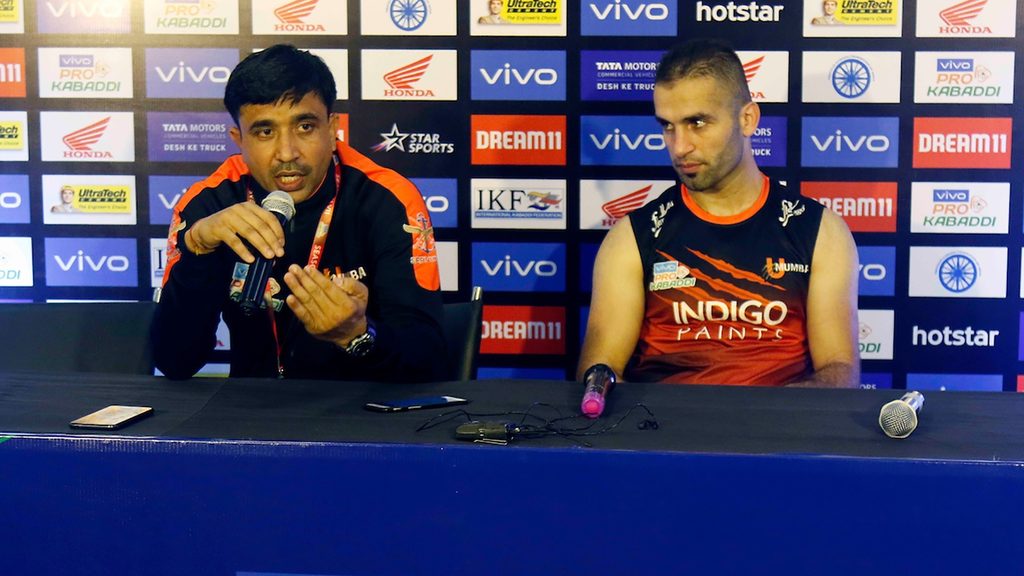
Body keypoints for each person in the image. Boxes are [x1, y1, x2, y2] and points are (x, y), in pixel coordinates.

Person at [152, 45, 445, 382]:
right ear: (239, 140)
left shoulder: (387, 199)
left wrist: (356, 335)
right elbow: (174, 361)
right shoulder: (208, 206)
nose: (287, 153)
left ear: (332, 129)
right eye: (264, 132)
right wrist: (197, 251)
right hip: (252, 418)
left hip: (361, 413)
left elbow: (430, 360)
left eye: (305, 127)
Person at [577, 39, 859, 388]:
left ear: (747, 119)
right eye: (668, 126)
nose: (680, 146)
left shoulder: (819, 231)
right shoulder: (633, 238)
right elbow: (598, 377)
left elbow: (839, 372)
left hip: (777, 434)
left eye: (697, 122)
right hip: (664, 435)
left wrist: (762, 420)